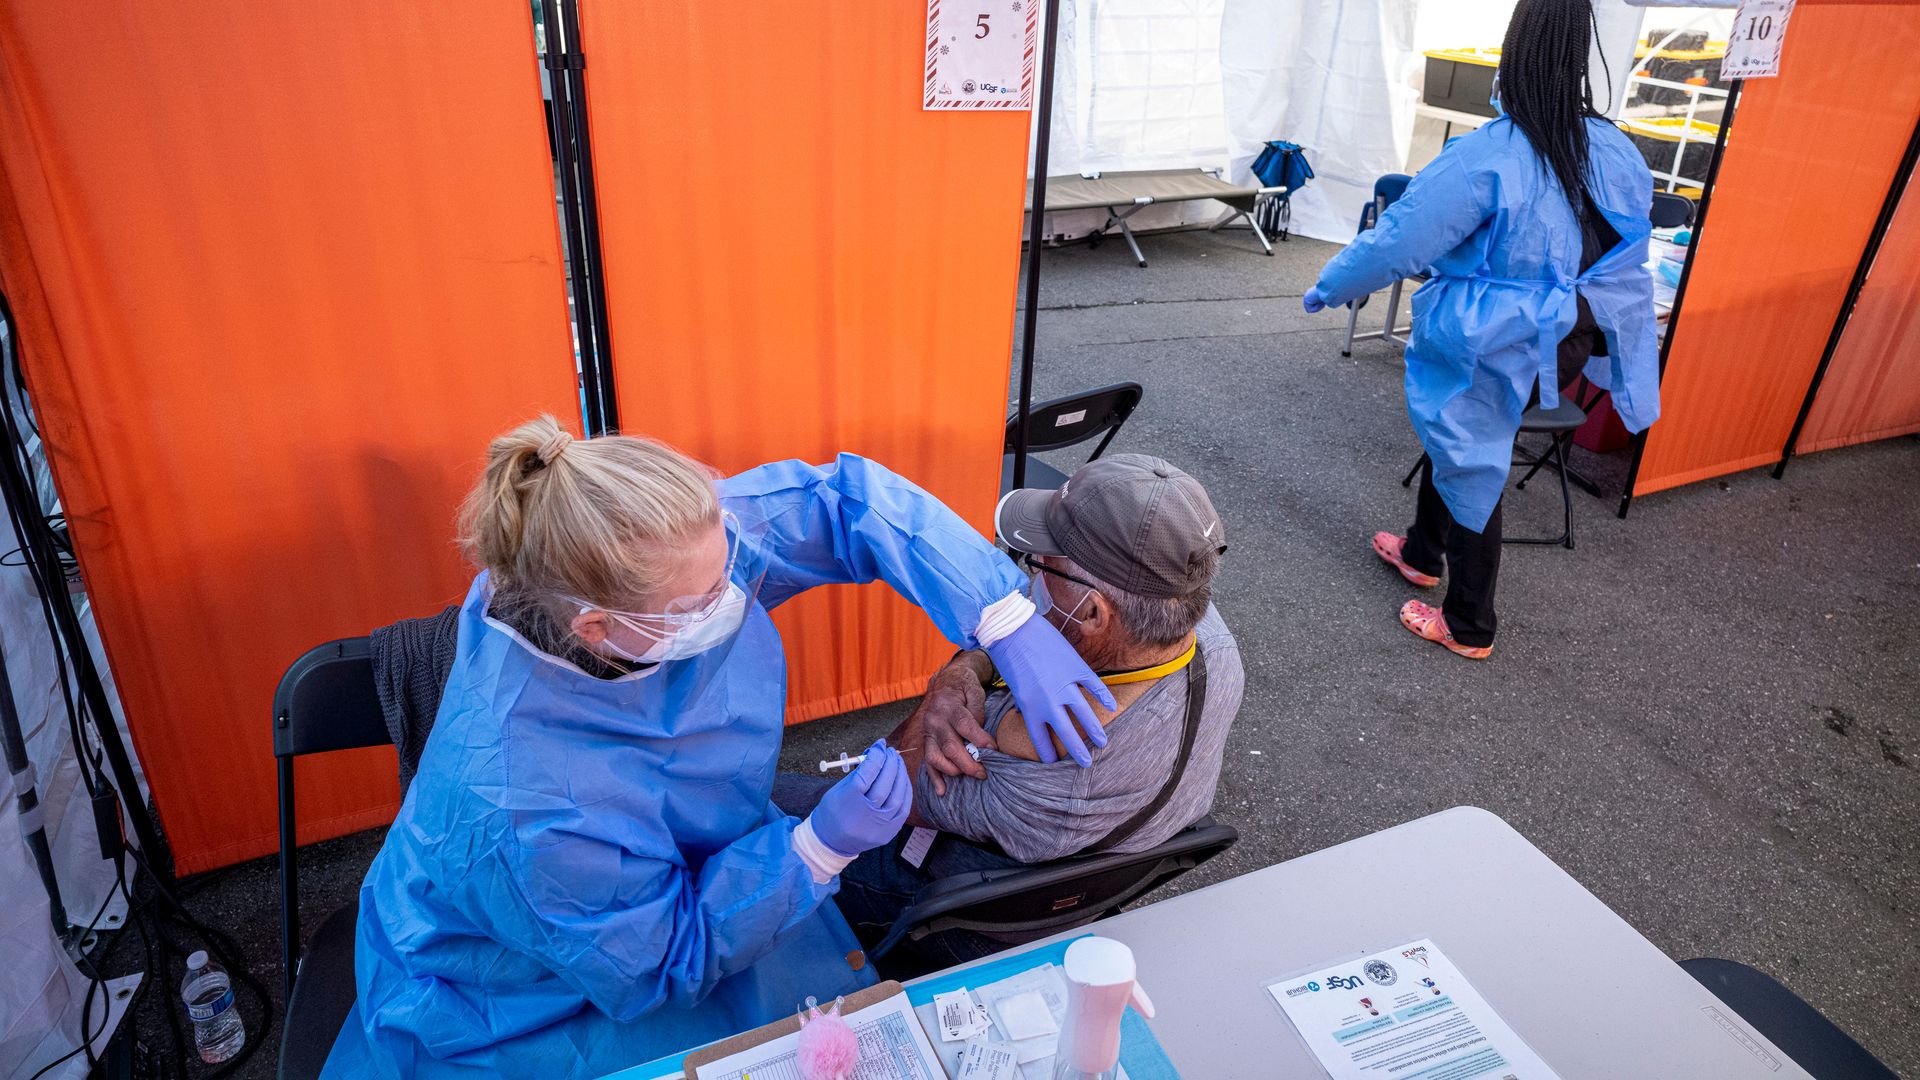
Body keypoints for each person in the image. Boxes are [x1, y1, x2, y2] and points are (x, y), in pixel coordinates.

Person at [320, 416, 1119, 1079]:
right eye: (704, 598)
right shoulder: (528, 807)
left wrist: (1001, 620)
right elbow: (661, 963)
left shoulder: (640, 554)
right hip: (525, 992)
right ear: (594, 627)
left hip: (672, 868)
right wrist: (813, 848)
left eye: (728, 563)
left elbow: (838, 501)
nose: (734, 596)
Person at [774, 455, 1240, 969]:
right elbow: (1028, 625)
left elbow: (887, 787)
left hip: (961, 910)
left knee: (752, 815)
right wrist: (966, 671)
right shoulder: (1202, 633)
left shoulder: (1053, 769)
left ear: (1092, 613)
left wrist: (937, 698)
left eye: (1039, 564)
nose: (1024, 578)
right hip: (1078, 874)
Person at [1302, 0, 1658, 660]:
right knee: (1458, 436)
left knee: (1470, 456)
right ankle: (1419, 552)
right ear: (1582, 54)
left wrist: (1330, 287)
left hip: (1491, 341)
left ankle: (1469, 623)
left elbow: (1399, 240)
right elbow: (1627, 251)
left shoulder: (1489, 154)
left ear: (1512, 51)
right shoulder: (1614, 147)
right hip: (1569, 341)